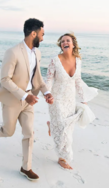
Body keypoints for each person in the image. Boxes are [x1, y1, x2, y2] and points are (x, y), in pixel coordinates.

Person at [0, 18, 54, 181]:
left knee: (29, 132)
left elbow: (37, 78)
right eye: (42, 34)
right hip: (12, 99)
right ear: (33, 33)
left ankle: (26, 167)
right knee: (8, 132)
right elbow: (4, 79)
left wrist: (46, 92)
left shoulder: (37, 53)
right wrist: (24, 95)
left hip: (29, 101)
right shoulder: (13, 52)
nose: (43, 38)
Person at [45, 33, 87, 170]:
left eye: (67, 40)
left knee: (68, 129)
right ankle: (62, 157)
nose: (64, 42)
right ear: (61, 45)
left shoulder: (78, 61)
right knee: (62, 128)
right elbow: (49, 79)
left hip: (70, 99)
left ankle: (52, 125)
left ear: (73, 44)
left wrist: (83, 100)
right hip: (56, 99)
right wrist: (48, 93)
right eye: (62, 41)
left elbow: (78, 81)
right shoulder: (55, 60)